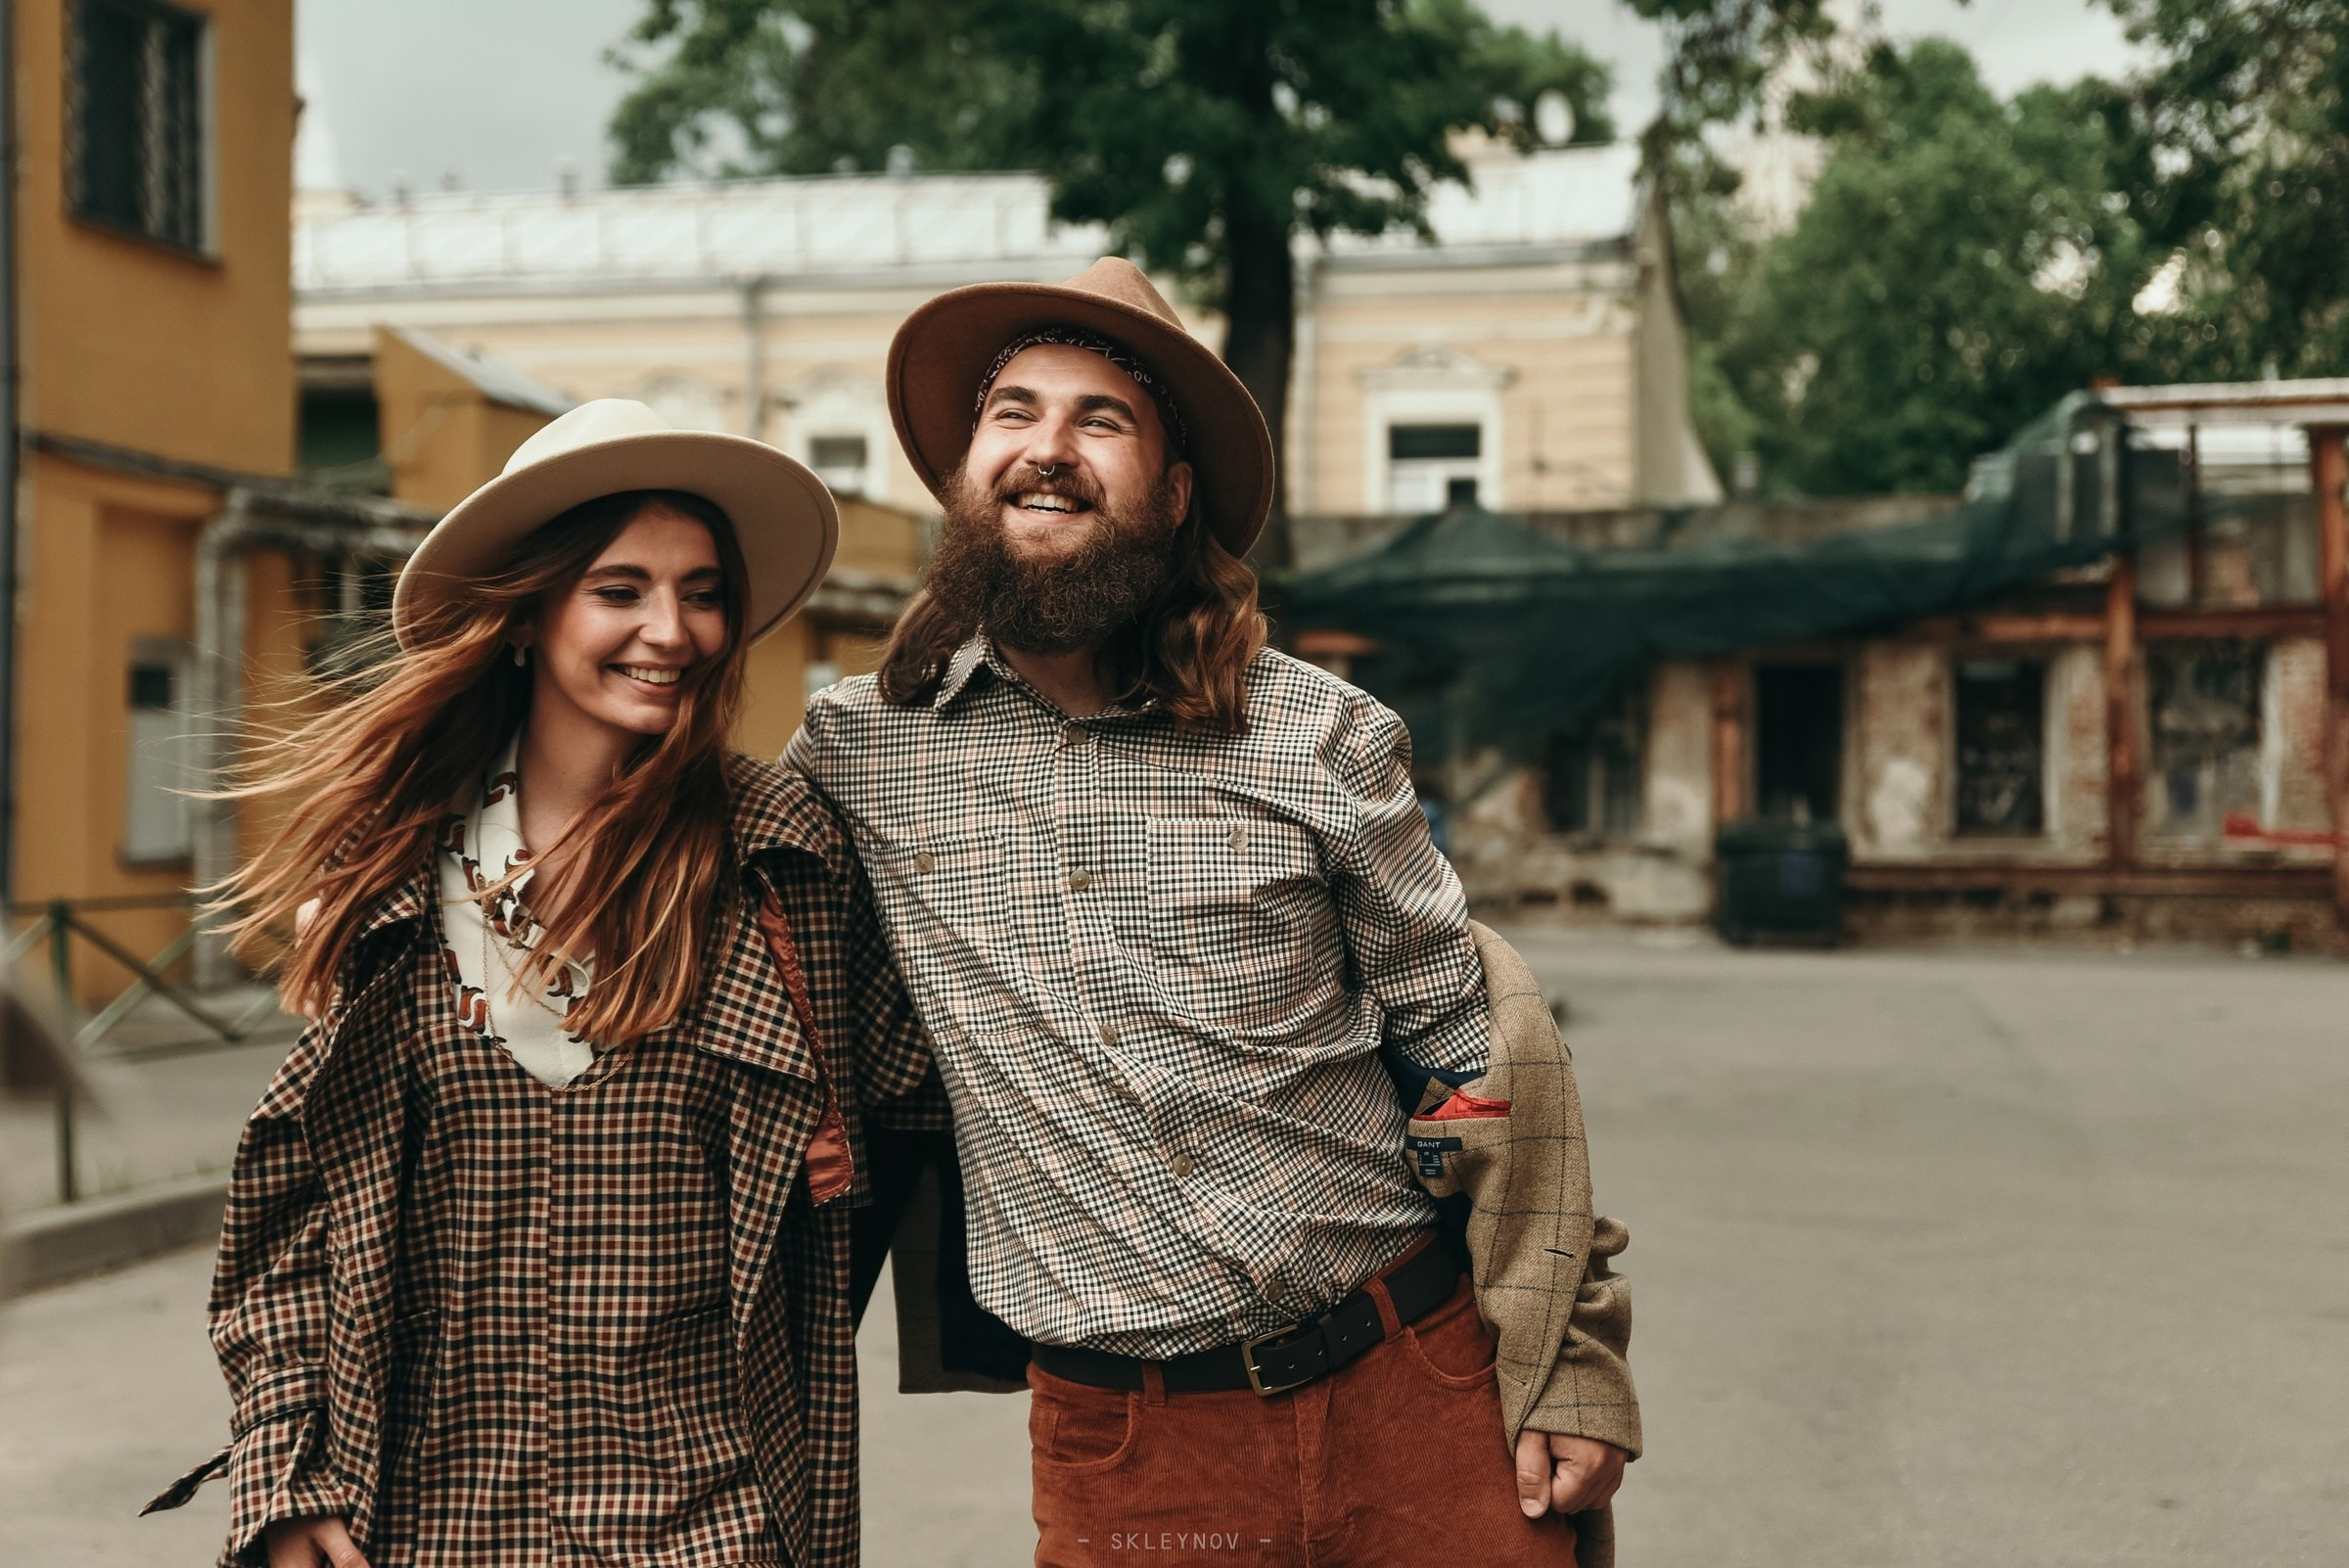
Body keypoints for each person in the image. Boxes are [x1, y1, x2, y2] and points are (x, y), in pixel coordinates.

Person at [789, 258, 1638, 1566]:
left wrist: (1569, 1355)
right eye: (1011, 413)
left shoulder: (1317, 731)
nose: (1047, 449)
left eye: (1102, 419)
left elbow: (1475, 1053)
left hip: (1417, 1381)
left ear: (1175, 494)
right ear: (966, 472)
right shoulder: (856, 755)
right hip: (1133, 1450)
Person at [144, 400, 934, 1568]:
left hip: (710, 1526)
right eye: (620, 590)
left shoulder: (784, 864)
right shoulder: (394, 881)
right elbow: (297, 1223)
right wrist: (283, 1471)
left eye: (703, 591)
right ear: (527, 614)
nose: (672, 629)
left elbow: (928, 1098)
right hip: (426, 1522)